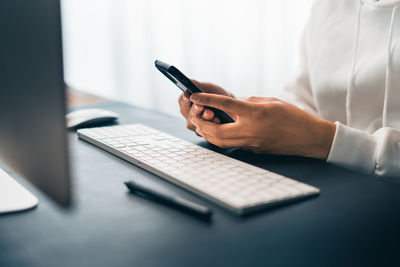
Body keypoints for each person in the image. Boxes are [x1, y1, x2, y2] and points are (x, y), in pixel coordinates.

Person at [178, 0, 400, 177]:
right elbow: (305, 99)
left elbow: (316, 134)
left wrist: (326, 140)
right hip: (325, 181)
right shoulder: (328, 5)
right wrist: (240, 113)